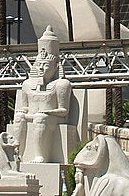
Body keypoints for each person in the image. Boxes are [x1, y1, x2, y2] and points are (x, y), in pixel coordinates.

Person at [10, 27, 78, 163]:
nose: (41, 69)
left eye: (46, 65)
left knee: (40, 118)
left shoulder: (61, 84)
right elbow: (24, 107)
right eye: (39, 65)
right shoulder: (27, 84)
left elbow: (64, 111)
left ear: (56, 67)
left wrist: (46, 111)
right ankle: (16, 154)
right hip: (35, 115)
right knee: (18, 118)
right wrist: (22, 112)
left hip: (54, 118)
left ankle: (40, 155)